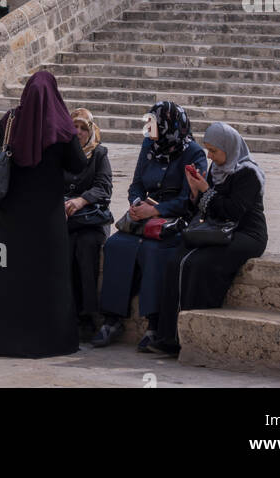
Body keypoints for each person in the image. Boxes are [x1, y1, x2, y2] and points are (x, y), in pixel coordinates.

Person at [0, 69, 88, 358]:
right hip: (45, 220)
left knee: (5, 276)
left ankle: (1, 340)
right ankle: (49, 341)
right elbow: (78, 164)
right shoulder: (61, 128)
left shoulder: (9, 121)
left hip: (8, 219)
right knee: (47, 278)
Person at [140, 120, 268, 356]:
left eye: (214, 151)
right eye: (208, 150)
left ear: (228, 148)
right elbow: (206, 209)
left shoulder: (248, 173)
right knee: (177, 261)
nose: (209, 156)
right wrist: (195, 191)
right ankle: (169, 335)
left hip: (246, 233)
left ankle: (191, 337)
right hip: (217, 229)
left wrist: (205, 190)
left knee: (198, 264)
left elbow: (233, 211)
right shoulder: (217, 170)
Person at [91, 100, 206, 347]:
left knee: (153, 250)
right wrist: (136, 204)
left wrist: (155, 210)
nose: (149, 130)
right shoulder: (149, 146)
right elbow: (136, 184)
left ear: (169, 125)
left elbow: (187, 199)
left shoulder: (193, 152)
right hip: (143, 216)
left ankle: (154, 324)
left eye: (153, 125)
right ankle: (112, 319)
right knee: (116, 245)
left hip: (173, 220)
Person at [65, 107, 113, 343]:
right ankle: (67, 314)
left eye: (83, 128)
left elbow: (104, 188)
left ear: (91, 130)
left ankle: (87, 317)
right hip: (68, 220)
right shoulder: (63, 154)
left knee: (85, 246)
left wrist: (82, 200)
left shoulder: (99, 154)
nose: (79, 132)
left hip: (91, 220)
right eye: (74, 127)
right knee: (64, 246)